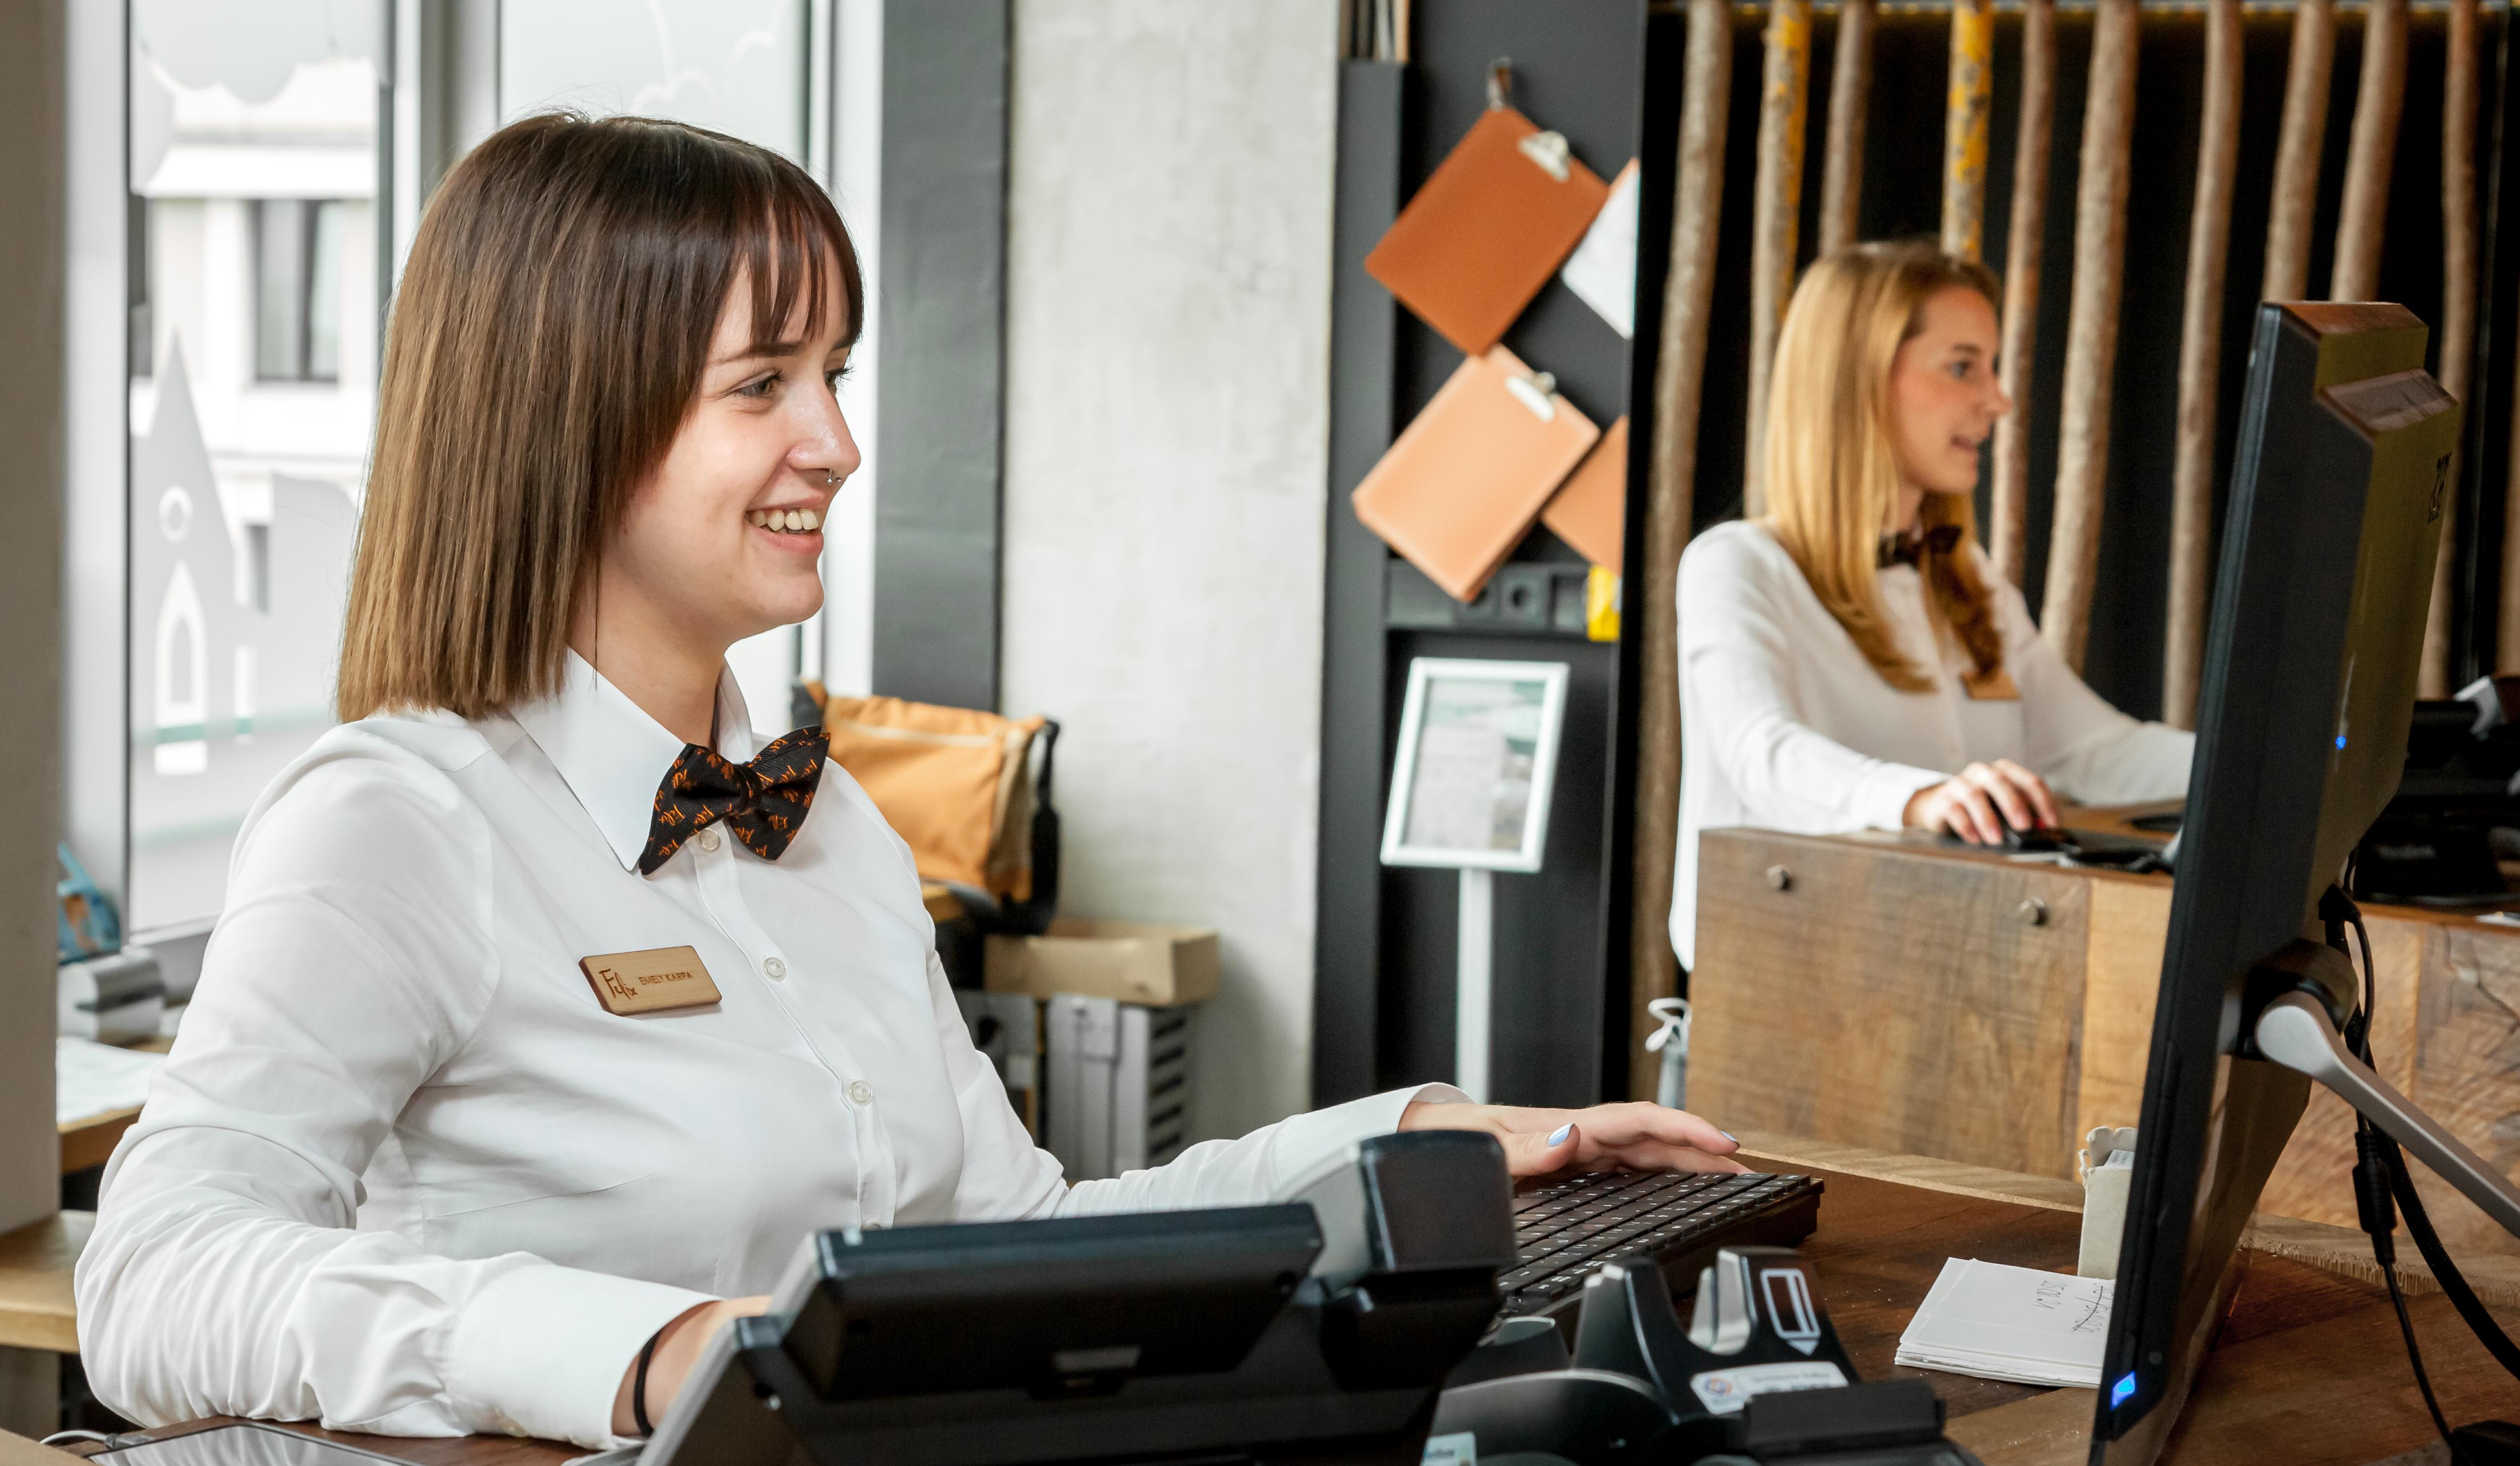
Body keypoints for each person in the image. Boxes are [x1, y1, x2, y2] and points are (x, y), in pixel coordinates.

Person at [74, 114, 1745, 1452]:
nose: (838, 446)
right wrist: (636, 1350)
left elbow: (1025, 1230)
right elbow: (154, 1284)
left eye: (836, 378)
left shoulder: (833, 823)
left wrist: (1411, 1139)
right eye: (764, 387)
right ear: (567, 424)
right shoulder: (398, 819)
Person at [1668, 241, 2193, 969]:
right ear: (1855, 378)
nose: (1999, 399)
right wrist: (1921, 799)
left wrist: (2266, 770)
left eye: (1992, 366)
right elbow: (1766, 757)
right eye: (1962, 366)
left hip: (1923, 1007)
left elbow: (2093, 751)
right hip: (1763, 1020)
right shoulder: (1736, 567)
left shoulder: (1962, 576)